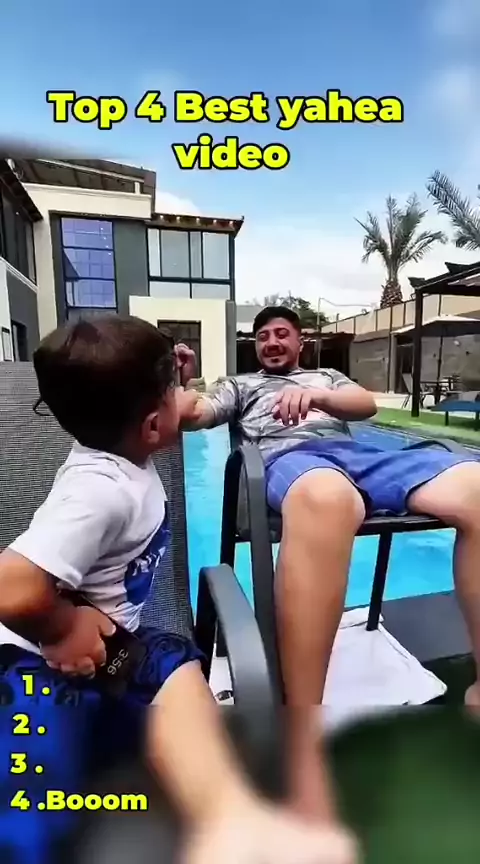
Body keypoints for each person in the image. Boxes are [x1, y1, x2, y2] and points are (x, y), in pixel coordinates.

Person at [0, 315, 357, 864]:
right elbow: (11, 587)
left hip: (114, 650)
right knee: (32, 808)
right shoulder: (98, 492)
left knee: (174, 664)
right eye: (173, 394)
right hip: (32, 667)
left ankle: (231, 819)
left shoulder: (123, 444)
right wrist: (63, 627)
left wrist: (177, 380)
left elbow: (166, 410)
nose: (185, 402)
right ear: (151, 425)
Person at [177, 303, 480, 823]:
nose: (272, 342)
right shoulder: (241, 385)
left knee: (475, 487)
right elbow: (196, 414)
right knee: (329, 500)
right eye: (263, 336)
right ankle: (303, 732)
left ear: (300, 342)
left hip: (364, 456)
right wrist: (181, 382)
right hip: (289, 461)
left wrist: (319, 395)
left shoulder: (328, 377)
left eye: (282, 334)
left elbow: (364, 405)